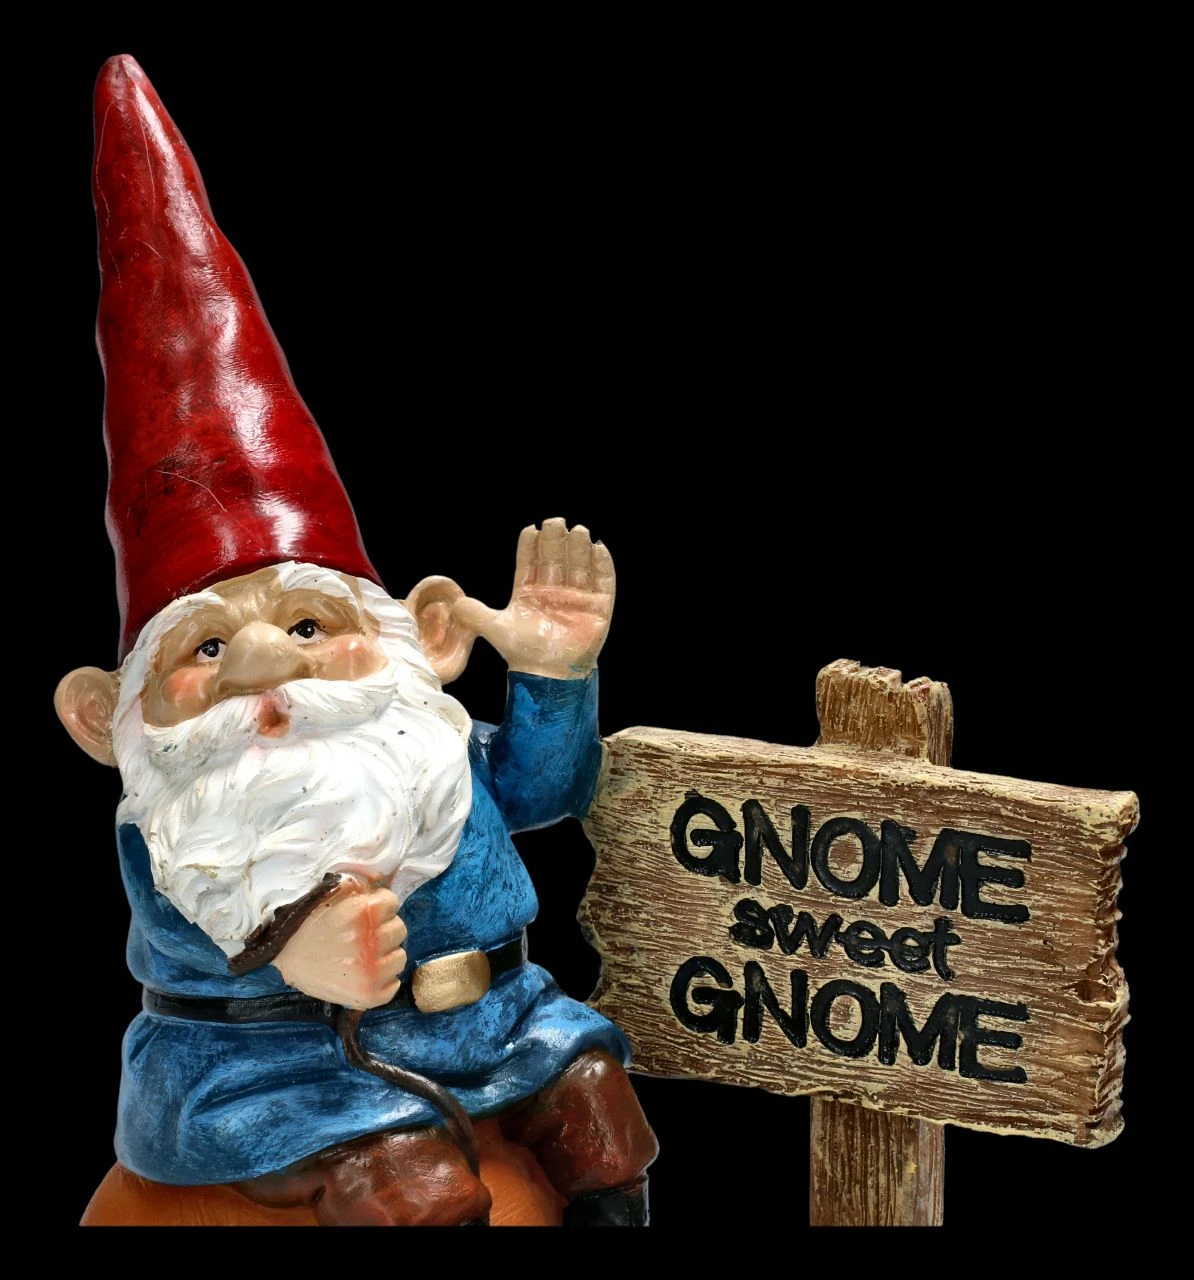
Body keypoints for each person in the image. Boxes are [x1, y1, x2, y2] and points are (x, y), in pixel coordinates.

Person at [54, 54, 656, 1227]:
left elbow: (547, 788)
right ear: (106, 716)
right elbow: (207, 914)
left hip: (501, 1026)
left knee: (602, 1118)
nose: (265, 661)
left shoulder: (424, 753)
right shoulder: (177, 824)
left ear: (420, 641)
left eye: (306, 624)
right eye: (207, 652)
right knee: (411, 1191)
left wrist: (554, 674)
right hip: (270, 1070)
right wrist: (292, 949)